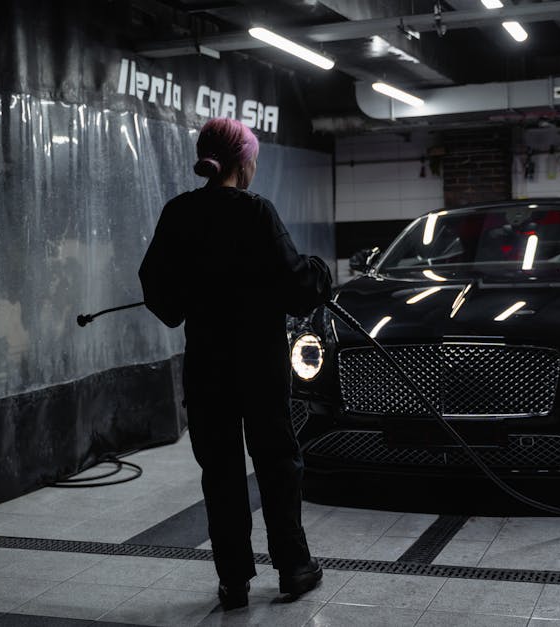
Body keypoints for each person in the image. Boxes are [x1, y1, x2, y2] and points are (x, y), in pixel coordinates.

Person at [138, 118, 331, 611]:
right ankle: (293, 568)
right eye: (254, 160)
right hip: (260, 368)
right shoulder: (256, 212)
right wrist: (319, 270)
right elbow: (298, 289)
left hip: (207, 369)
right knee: (278, 465)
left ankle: (234, 582)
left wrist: (192, 297)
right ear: (242, 162)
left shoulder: (179, 213)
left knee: (220, 474)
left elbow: (159, 292)